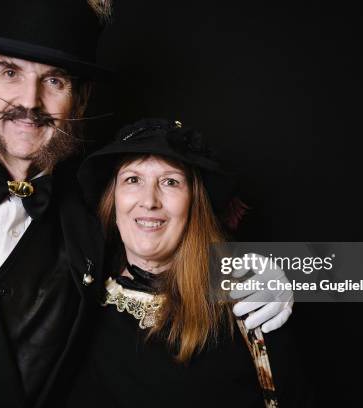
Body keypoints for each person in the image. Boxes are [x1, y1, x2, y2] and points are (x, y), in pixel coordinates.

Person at [0, 1, 292, 407]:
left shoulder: (96, 214)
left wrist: (281, 273)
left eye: (54, 81)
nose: (29, 101)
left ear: (80, 100)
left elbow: (176, 256)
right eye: (10, 72)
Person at [66, 119, 309, 408]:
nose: (149, 200)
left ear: (195, 203)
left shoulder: (249, 305)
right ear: (113, 199)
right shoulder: (79, 300)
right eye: (133, 179)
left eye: (170, 181)